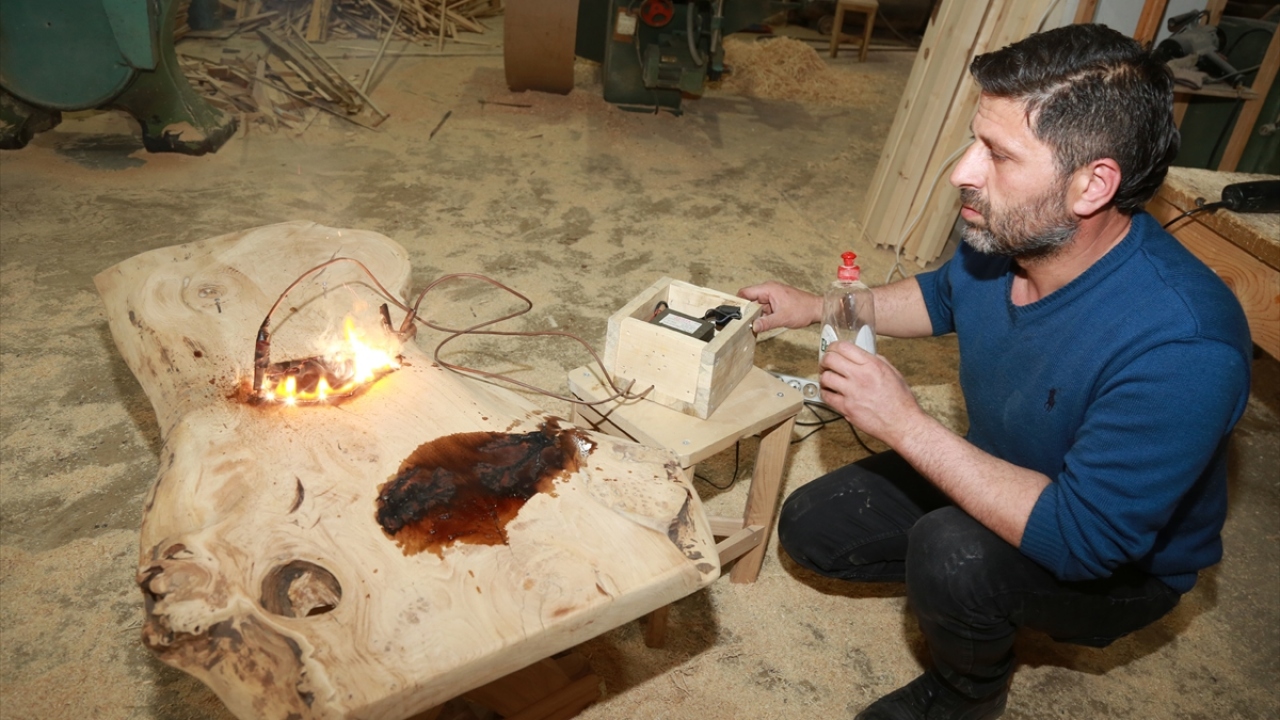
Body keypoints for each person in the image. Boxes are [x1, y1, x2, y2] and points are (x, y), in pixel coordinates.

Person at [738, 23, 1252, 720]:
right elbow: (940, 295)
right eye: (975, 141)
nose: (962, 173)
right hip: (1009, 466)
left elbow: (1083, 540)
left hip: (1115, 562)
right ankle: (964, 568)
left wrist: (907, 426)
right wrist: (817, 305)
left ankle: (965, 695)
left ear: (1092, 185)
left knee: (953, 556)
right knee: (815, 529)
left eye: (999, 155)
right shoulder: (1007, 232)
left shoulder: (1185, 346)